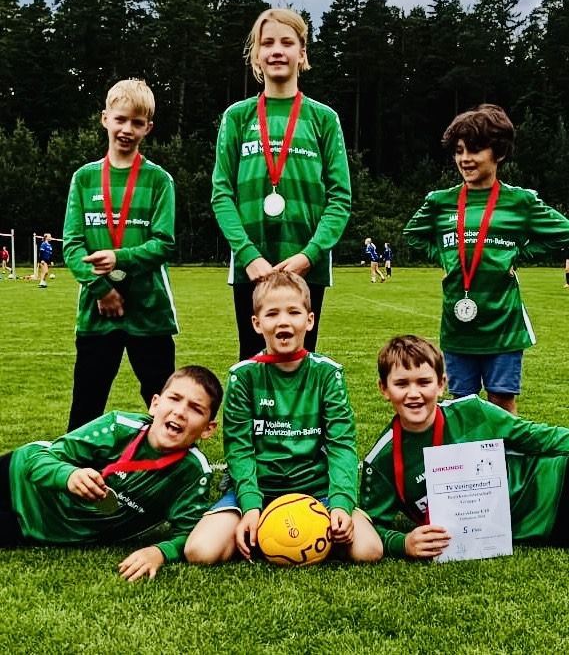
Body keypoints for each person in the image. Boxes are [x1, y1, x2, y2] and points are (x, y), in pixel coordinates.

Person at [184, 271, 382, 564]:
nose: (283, 322)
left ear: (309, 320)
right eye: (272, 313)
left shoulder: (328, 374)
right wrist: (250, 505)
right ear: (257, 323)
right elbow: (239, 449)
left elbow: (341, 445)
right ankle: (262, 526)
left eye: (293, 312)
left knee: (369, 550)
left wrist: (340, 503)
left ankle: (301, 529)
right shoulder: (243, 376)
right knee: (200, 551)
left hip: (316, 490)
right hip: (259, 490)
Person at [403, 103, 569, 414]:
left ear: (499, 153)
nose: (465, 159)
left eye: (475, 150)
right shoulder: (440, 202)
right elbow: (412, 234)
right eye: (459, 151)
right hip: (458, 327)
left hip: (503, 325)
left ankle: (505, 449)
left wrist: (518, 253)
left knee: (501, 402)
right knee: (461, 405)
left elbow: (564, 232)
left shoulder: (520, 202)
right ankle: (467, 450)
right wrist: (444, 257)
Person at [211, 8, 351, 360]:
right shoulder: (237, 117)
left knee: (299, 366)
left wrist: (309, 255)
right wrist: (248, 256)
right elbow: (221, 194)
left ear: (302, 53)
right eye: (267, 43)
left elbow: (340, 199)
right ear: (256, 55)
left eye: (287, 43)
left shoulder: (324, 119)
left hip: (306, 269)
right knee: (252, 365)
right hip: (250, 270)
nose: (277, 50)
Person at [0, 365, 222, 580]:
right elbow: (37, 460)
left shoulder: (193, 473)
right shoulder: (118, 426)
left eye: (196, 409)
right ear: (155, 404)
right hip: (15, 480)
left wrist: (160, 552)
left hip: (34, 527)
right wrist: (69, 475)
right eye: (174, 398)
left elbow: (190, 532)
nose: (180, 412)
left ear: (208, 429)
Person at [360, 334, 569, 559]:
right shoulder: (381, 461)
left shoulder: (473, 412)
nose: (414, 394)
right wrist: (403, 543)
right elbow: (369, 527)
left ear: (441, 384)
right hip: (538, 528)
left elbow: (541, 437)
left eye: (424, 382)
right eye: (401, 384)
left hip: (555, 485)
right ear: (384, 388)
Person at [63, 78, 179, 431]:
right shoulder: (84, 179)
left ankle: (176, 464)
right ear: (105, 119)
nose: (127, 129)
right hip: (97, 314)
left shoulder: (159, 180)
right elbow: (72, 245)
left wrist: (119, 258)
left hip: (150, 313)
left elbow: (164, 243)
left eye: (137, 122)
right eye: (120, 119)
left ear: (148, 128)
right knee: (86, 408)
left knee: (166, 407)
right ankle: (74, 465)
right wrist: (102, 289)